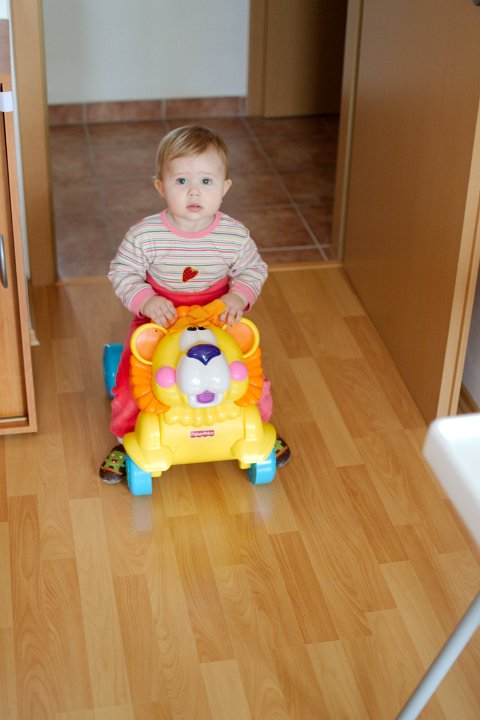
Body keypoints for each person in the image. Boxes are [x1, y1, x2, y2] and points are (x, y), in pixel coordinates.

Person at [100, 125, 290, 483]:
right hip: (160, 317)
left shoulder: (233, 235)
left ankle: (259, 426)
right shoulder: (145, 235)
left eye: (206, 181)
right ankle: (126, 439)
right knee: (132, 380)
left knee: (248, 374)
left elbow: (253, 269)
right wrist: (147, 300)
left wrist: (238, 295)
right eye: (181, 181)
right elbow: (122, 272)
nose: (194, 191)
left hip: (217, 314)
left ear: (224, 187)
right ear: (161, 187)